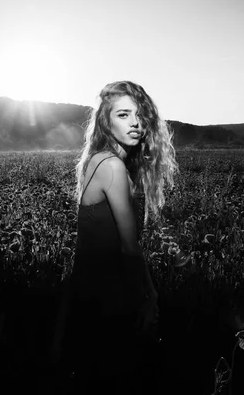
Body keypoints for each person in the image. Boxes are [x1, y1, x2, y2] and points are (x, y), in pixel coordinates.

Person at [50, 81, 178, 394]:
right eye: (123, 115)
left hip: (90, 292)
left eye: (140, 115)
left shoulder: (98, 160)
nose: (135, 123)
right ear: (107, 121)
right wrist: (150, 297)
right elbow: (129, 246)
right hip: (107, 298)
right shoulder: (111, 166)